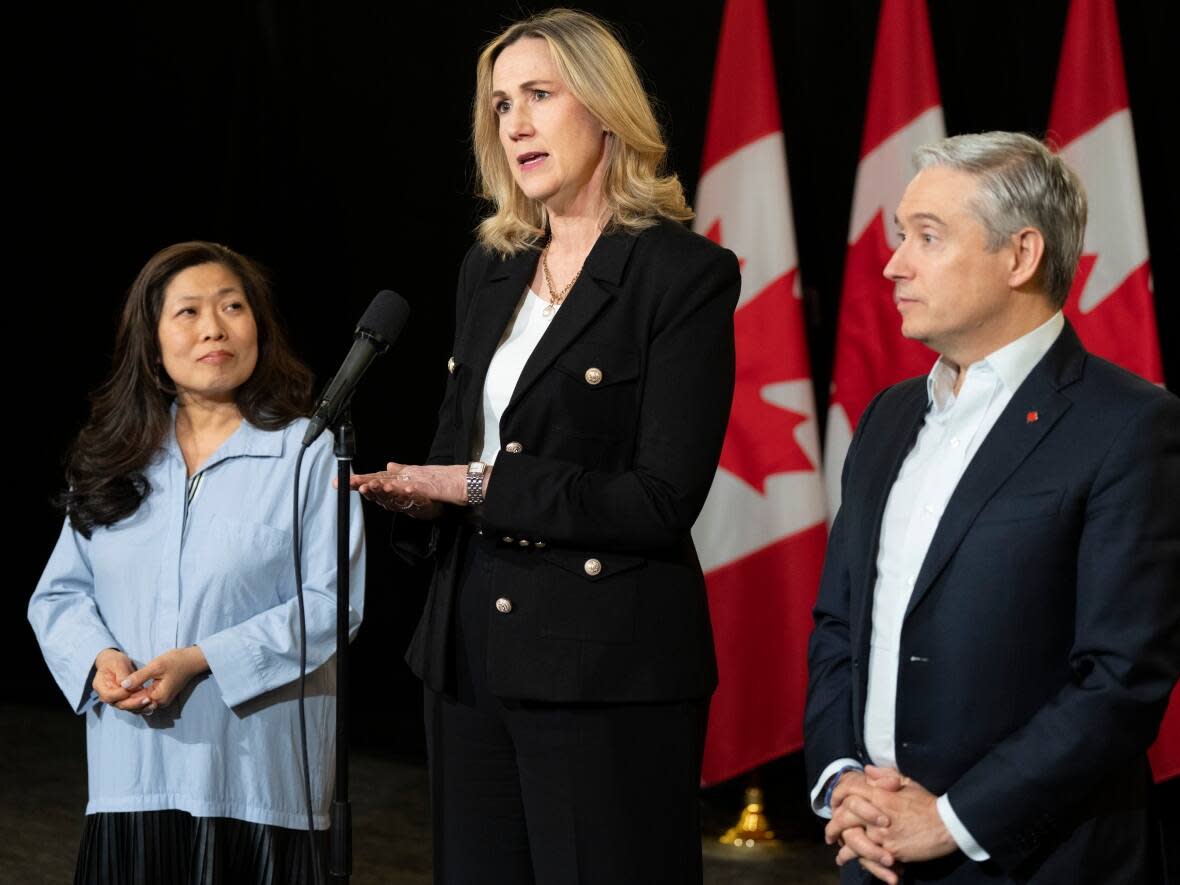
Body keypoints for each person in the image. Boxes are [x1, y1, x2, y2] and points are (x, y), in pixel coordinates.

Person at [350, 9, 739, 884]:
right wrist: (420, 495)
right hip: (467, 653)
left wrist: (482, 485)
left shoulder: (681, 274)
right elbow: (461, 449)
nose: (514, 123)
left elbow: (660, 498)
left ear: (604, 109)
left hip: (606, 667)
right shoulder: (490, 266)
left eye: (538, 95)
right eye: (498, 105)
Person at [804, 131, 1180, 884]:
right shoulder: (885, 417)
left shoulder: (1129, 424)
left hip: (1036, 860)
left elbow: (1120, 677)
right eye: (900, 236)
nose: (893, 263)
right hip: (873, 852)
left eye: (927, 237)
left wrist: (950, 820)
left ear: (1021, 255)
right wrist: (843, 778)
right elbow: (841, 624)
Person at [29, 241, 365, 884]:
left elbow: (332, 603)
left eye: (232, 307)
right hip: (133, 777)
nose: (214, 326)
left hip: (260, 781)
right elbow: (59, 596)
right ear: (151, 346)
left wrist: (200, 660)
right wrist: (97, 658)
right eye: (188, 312)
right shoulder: (114, 461)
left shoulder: (307, 452)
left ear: (258, 328)